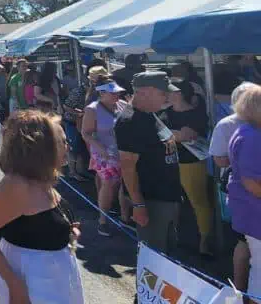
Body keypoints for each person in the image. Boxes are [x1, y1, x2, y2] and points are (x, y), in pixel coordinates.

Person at [0, 110, 85, 304]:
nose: (68, 147)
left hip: (56, 278)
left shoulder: (43, 179)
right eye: (62, 142)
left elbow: (38, 224)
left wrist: (67, 231)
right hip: (34, 282)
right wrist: (14, 284)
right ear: (43, 148)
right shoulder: (17, 186)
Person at [115, 71, 182, 256]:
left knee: (167, 255)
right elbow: (128, 167)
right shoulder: (130, 121)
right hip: (152, 200)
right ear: (145, 92)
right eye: (163, 93)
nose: (166, 97)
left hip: (166, 197)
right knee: (154, 259)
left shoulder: (149, 114)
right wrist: (138, 205)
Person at [163, 78, 213, 256]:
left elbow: (185, 135)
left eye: (169, 90)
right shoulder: (165, 113)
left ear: (179, 93)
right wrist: (175, 134)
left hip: (191, 163)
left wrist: (171, 134)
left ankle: (204, 241)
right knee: (174, 201)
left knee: (198, 202)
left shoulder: (196, 114)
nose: (166, 93)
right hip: (169, 163)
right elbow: (169, 135)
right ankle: (175, 234)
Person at [226, 82, 261, 302]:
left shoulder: (247, 131)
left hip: (248, 209)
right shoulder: (253, 137)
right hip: (255, 211)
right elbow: (252, 183)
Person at [81, 78, 130, 236]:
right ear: (102, 93)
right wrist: (99, 147)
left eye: (117, 92)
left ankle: (125, 217)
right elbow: (86, 133)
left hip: (124, 151)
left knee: (125, 184)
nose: (117, 94)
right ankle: (103, 220)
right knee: (108, 184)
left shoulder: (122, 105)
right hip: (105, 153)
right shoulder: (92, 109)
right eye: (113, 92)